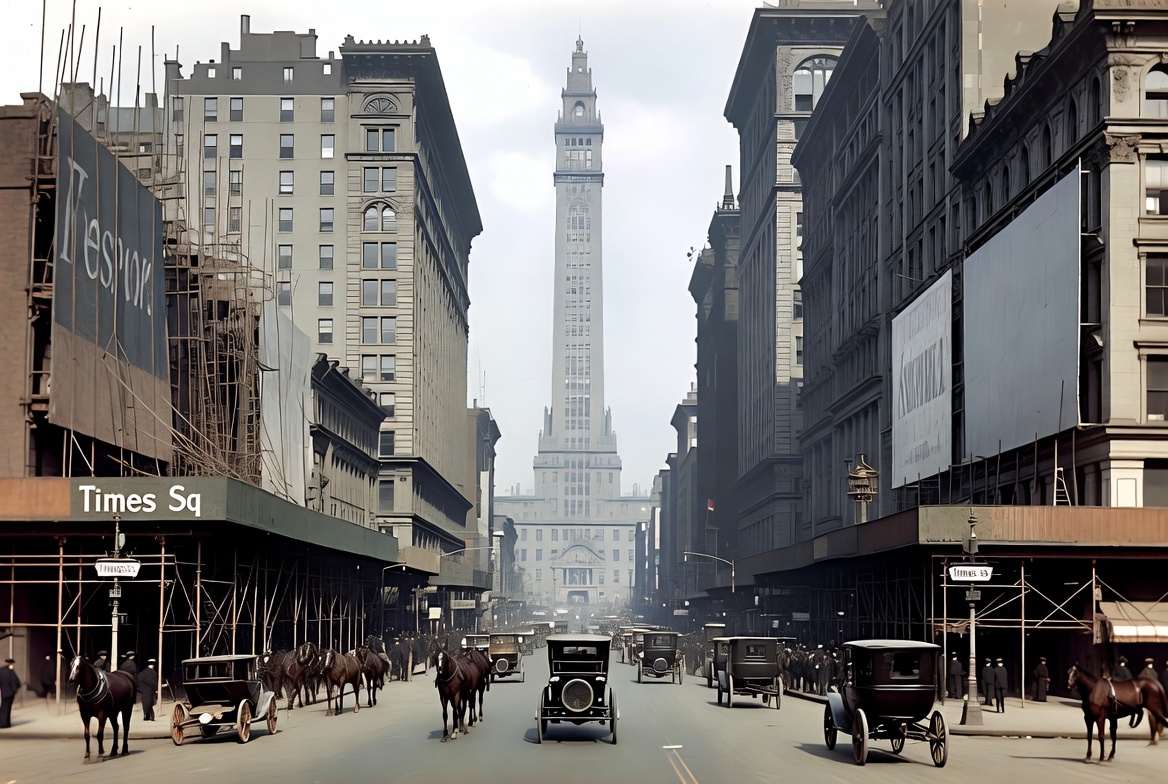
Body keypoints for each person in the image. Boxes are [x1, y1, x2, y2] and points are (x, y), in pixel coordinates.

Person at [0, 658, 20, 728]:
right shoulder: (10, 672)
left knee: (3, 708)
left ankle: (3, 723)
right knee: (8, 708)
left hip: (3, 693)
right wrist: (15, 689)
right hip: (11, 693)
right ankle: (6, 723)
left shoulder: (1, 672)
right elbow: (17, 682)